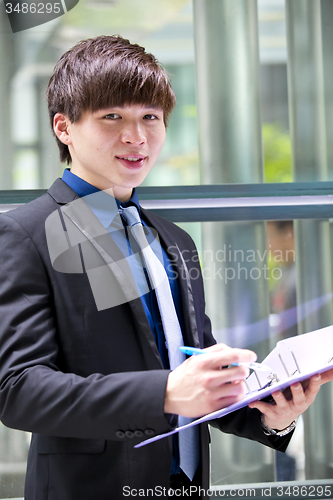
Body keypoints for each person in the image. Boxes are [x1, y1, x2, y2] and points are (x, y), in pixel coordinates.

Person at [0, 35, 332, 500]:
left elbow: (190, 363)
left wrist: (270, 416)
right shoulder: (24, 234)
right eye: (112, 116)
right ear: (64, 127)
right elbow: (19, 390)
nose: (136, 136)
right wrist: (164, 393)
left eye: (150, 118)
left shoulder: (174, 240)